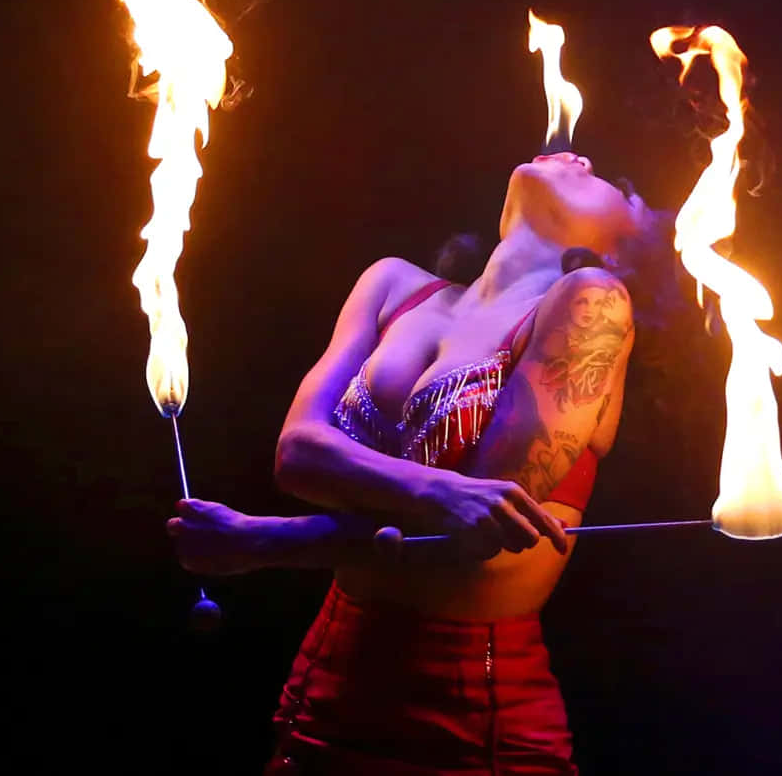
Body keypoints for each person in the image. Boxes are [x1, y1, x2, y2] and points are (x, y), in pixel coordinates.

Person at [168, 150, 679, 774]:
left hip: (469, 718)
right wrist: (438, 490)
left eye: (611, 182)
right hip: (325, 689)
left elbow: (477, 532)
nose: (582, 156)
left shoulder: (592, 301)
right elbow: (298, 452)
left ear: (621, 253)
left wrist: (264, 540)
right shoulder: (392, 285)